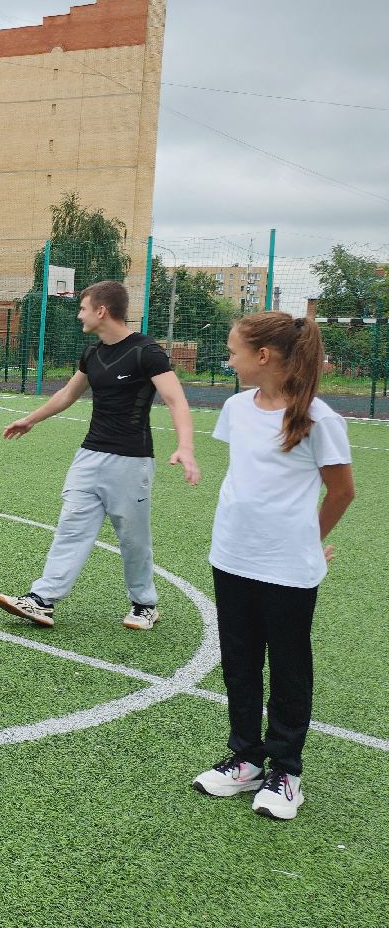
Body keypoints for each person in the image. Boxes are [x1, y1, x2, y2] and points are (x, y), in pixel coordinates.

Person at [191, 312, 353, 821]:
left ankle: (286, 770)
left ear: (264, 357)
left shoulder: (319, 419)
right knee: (238, 660)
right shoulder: (237, 407)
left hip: (287, 569)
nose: (229, 358)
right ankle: (246, 758)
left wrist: (308, 542)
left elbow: (343, 492)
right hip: (231, 556)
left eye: (235, 350)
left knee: (287, 666)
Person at [0, 280, 200, 631]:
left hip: (131, 461)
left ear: (101, 311)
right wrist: (30, 420)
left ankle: (144, 604)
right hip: (89, 456)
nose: (79, 315)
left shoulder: (146, 351)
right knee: (71, 526)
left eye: (83, 308)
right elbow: (67, 395)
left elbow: (175, 399)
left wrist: (186, 446)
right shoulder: (93, 353)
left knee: (132, 536)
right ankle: (43, 600)